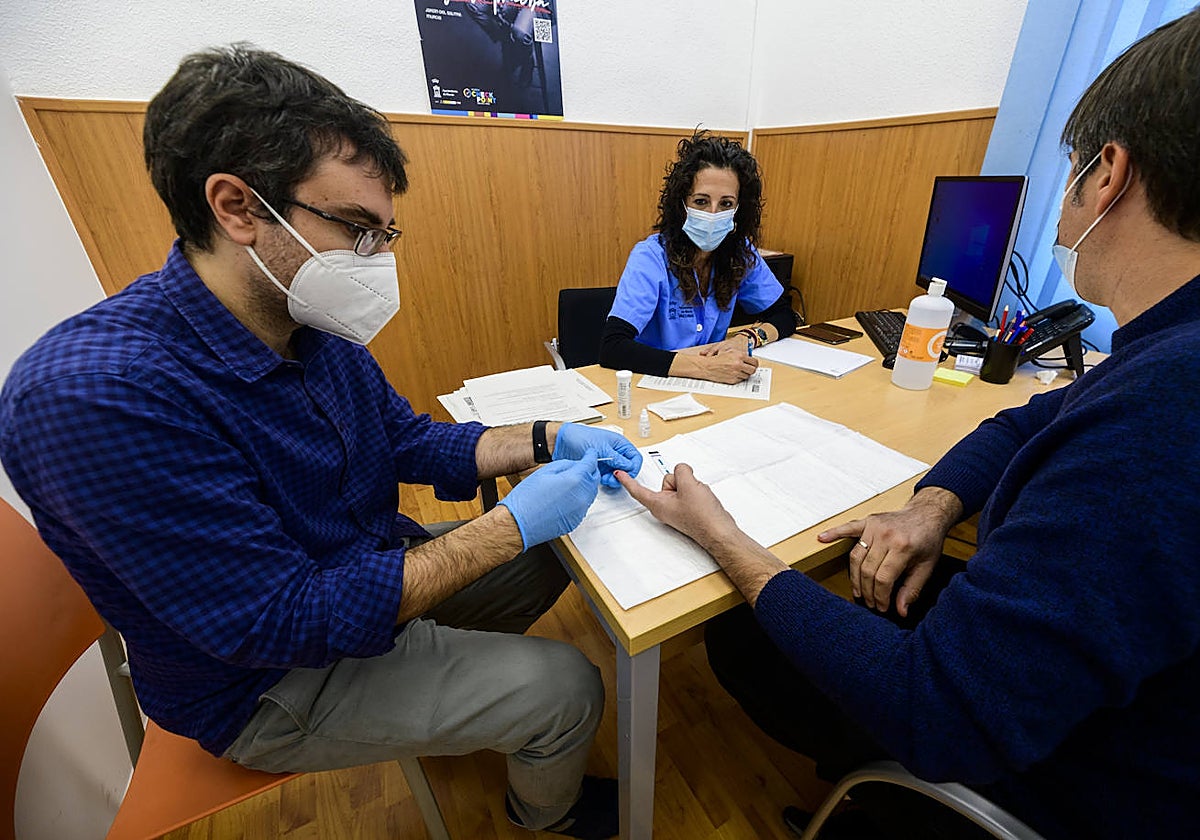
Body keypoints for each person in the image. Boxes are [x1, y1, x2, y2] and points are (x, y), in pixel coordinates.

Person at [0, 45, 642, 840]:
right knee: (565, 686)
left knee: (559, 551)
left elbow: (410, 443)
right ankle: (546, 815)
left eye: (386, 232)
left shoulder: (309, 323)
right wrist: (505, 525)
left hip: (350, 577)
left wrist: (545, 438)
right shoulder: (98, 397)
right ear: (238, 207)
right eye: (358, 231)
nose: (380, 260)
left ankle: (446, 697)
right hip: (262, 683)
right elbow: (279, 621)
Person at [616, 10, 1200, 839]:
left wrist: (722, 536)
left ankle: (880, 799)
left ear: (1106, 175)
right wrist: (932, 504)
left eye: (1068, 168)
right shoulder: (1159, 362)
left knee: (743, 638)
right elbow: (1030, 419)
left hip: (1054, 775)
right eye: (701, 200)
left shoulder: (1162, 411)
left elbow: (940, 709)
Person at [598, 130, 796, 384]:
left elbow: (784, 315)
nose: (713, 213)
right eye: (701, 201)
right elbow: (613, 348)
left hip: (717, 385)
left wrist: (744, 339)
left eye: (725, 204)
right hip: (652, 382)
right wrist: (705, 369)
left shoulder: (739, 253)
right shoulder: (650, 257)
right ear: (681, 204)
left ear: (738, 210)